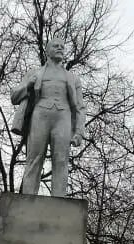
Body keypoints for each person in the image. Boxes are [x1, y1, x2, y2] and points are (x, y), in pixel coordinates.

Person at [9, 34, 87, 197]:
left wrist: (79, 131)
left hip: (63, 118)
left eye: (62, 46)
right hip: (40, 116)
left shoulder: (72, 78)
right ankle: (28, 199)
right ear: (47, 52)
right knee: (34, 159)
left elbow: (80, 107)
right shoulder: (35, 73)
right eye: (55, 46)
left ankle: (59, 200)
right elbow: (14, 96)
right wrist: (29, 86)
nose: (60, 48)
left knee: (61, 160)